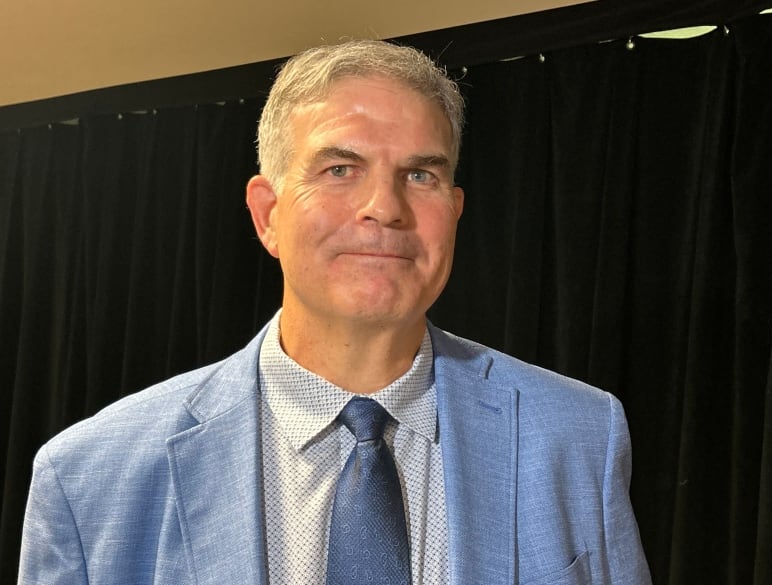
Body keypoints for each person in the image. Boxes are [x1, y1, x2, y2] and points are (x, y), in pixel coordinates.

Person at [18, 40, 652, 584]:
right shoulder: (89, 481)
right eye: (340, 169)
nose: (385, 206)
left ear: (455, 211)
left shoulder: (577, 436)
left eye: (421, 175)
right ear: (268, 214)